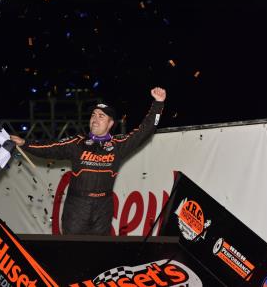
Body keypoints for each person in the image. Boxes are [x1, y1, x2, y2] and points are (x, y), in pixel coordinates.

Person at [11, 87, 167, 235]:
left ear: (110, 123)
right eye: (93, 115)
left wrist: (158, 104)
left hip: (104, 207)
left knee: (99, 254)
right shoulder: (77, 143)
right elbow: (50, 148)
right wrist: (25, 144)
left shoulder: (118, 146)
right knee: (71, 251)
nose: (95, 119)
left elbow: (145, 131)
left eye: (101, 116)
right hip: (77, 206)